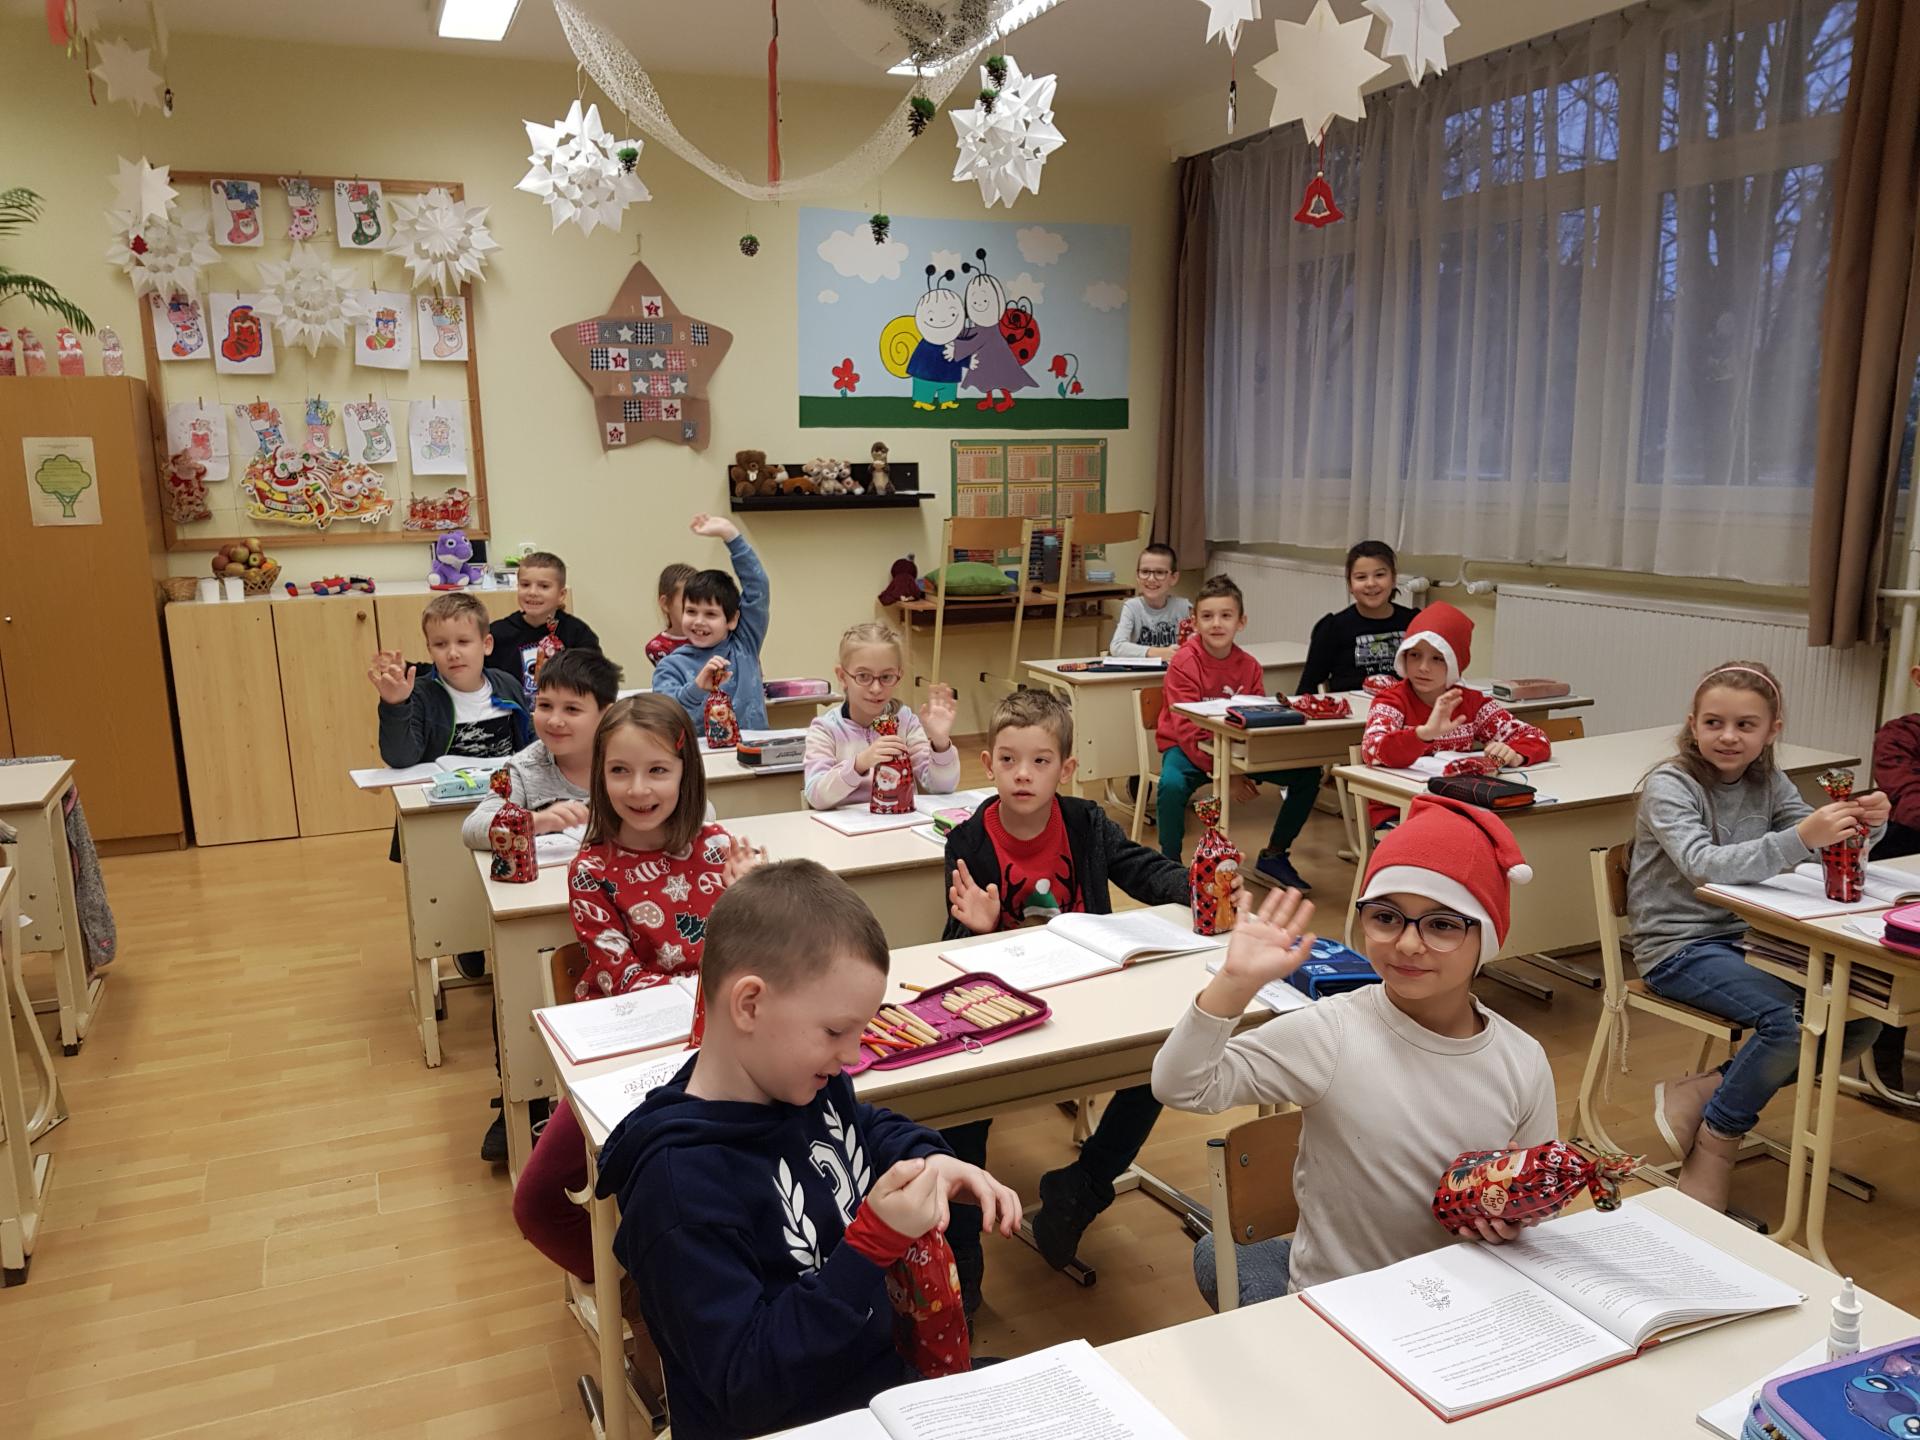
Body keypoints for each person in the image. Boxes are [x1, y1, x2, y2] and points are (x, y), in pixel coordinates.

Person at [595, 860, 1022, 1440]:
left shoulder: (802, 1082)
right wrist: (869, 1249)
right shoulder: (678, 1190)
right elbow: (744, 1391)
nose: (852, 1055)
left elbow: (862, 1128)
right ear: (749, 1005)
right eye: (835, 1031)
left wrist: (930, 1158)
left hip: (881, 1390)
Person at [1153, 796, 1557, 1305]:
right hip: (1343, 1308)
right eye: (1386, 917)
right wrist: (1233, 984)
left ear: (1489, 937)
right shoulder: (1333, 1032)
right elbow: (1181, 1085)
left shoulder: (1522, 1059)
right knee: (1220, 1260)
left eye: (1443, 924)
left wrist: (1517, 1218)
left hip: (1464, 1304)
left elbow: (1540, 1197)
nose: (1408, 944)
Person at [941, 690, 1215, 1308]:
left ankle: (1082, 1188)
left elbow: (1145, 869)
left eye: (1040, 762)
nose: (1023, 774)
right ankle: (963, 1260)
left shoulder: (1087, 823)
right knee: (964, 1108)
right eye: (1009, 760)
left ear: (1065, 769)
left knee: (1160, 1061)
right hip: (1004, 1007)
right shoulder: (968, 841)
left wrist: (1202, 887)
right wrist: (976, 930)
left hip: (1090, 994)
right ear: (988, 763)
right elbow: (952, 950)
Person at [1629, 660, 1888, 1210]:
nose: (1728, 736)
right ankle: (1718, 1139)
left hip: (1750, 937)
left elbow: (1818, 848)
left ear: (1772, 731)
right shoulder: (1670, 784)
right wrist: (1802, 836)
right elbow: (1703, 864)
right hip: (1677, 946)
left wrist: (1864, 822)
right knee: (1788, 1023)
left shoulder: (1768, 780)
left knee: (1860, 1015)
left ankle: (1703, 1091)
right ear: (1693, 724)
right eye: (1714, 723)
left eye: (1746, 725)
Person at [512, 694, 764, 1247]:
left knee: (723, 1178)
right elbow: (624, 977)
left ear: (685, 773)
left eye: (658, 771)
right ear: (599, 777)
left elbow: (762, 964)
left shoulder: (719, 848)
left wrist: (753, 898)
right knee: (537, 1201)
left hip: (722, 1049)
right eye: (620, 771)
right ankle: (631, 1280)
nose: (638, 789)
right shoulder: (591, 869)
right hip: (631, 1053)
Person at [1154, 574, 1321, 890]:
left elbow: (1254, 720)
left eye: (1226, 616)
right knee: (1170, 786)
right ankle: (1169, 864)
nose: (1216, 624)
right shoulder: (1184, 662)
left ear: (1241, 622)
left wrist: (1236, 768)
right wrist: (1227, 772)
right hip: (1190, 748)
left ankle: (1274, 855)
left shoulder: (1250, 665)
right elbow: (1186, 728)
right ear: (1195, 622)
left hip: (1236, 749)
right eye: (1207, 616)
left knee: (1308, 774)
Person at [1358, 601, 1550, 829]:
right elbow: (1373, 750)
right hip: (1399, 811)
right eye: (1415, 655)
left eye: (1437, 658)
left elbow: (1535, 737)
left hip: (1458, 806)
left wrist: (1514, 754)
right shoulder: (1392, 700)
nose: (1423, 667)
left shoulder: (1469, 702)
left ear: (1454, 662)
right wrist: (1423, 734)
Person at [461, 648, 621, 850]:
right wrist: (536, 821)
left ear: (606, 715)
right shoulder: (519, 767)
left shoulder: (630, 761)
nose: (554, 721)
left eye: (572, 709)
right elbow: (472, 828)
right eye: (545, 705)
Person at [804, 622, 960, 810]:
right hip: (847, 826)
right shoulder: (825, 730)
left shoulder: (906, 722)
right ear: (842, 677)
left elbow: (942, 788)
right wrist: (859, 764)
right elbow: (816, 796)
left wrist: (941, 743)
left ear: (899, 676)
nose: (876, 688)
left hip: (901, 822)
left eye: (886, 677)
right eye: (863, 676)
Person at [369, 591, 529, 769]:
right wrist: (395, 705)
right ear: (430, 650)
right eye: (440, 644)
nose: (453, 654)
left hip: (505, 785)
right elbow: (400, 759)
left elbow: (531, 743)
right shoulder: (420, 695)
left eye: (463, 641)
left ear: (486, 644)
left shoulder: (508, 685)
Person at [651, 514, 772, 731]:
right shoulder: (670, 666)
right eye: (691, 611)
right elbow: (666, 718)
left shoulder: (744, 644)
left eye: (710, 614)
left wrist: (731, 536)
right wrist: (697, 687)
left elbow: (758, 587)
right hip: (701, 753)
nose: (699, 621)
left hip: (753, 749)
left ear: (732, 620)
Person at [1298, 540, 1419, 695]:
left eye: (1380, 575)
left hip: (1404, 706)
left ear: (1394, 579)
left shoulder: (1414, 622)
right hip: (1352, 708)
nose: (1371, 583)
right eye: (1361, 577)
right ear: (1350, 584)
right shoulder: (1333, 628)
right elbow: (1307, 688)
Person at [489, 550, 602, 701]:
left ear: (561, 595)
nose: (532, 592)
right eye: (525, 585)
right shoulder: (497, 634)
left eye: (544, 586)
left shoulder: (578, 634)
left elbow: (596, 680)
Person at [1108, 544, 1191, 658]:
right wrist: (1160, 653)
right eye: (1145, 571)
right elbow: (1117, 646)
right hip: (1141, 669)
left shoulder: (1184, 608)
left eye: (1160, 572)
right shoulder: (1132, 607)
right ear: (1137, 575)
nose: (1151, 579)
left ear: (1174, 578)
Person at [646, 561, 696, 667]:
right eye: (686, 601)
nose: (694, 608)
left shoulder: (709, 637)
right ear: (665, 604)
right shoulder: (658, 647)